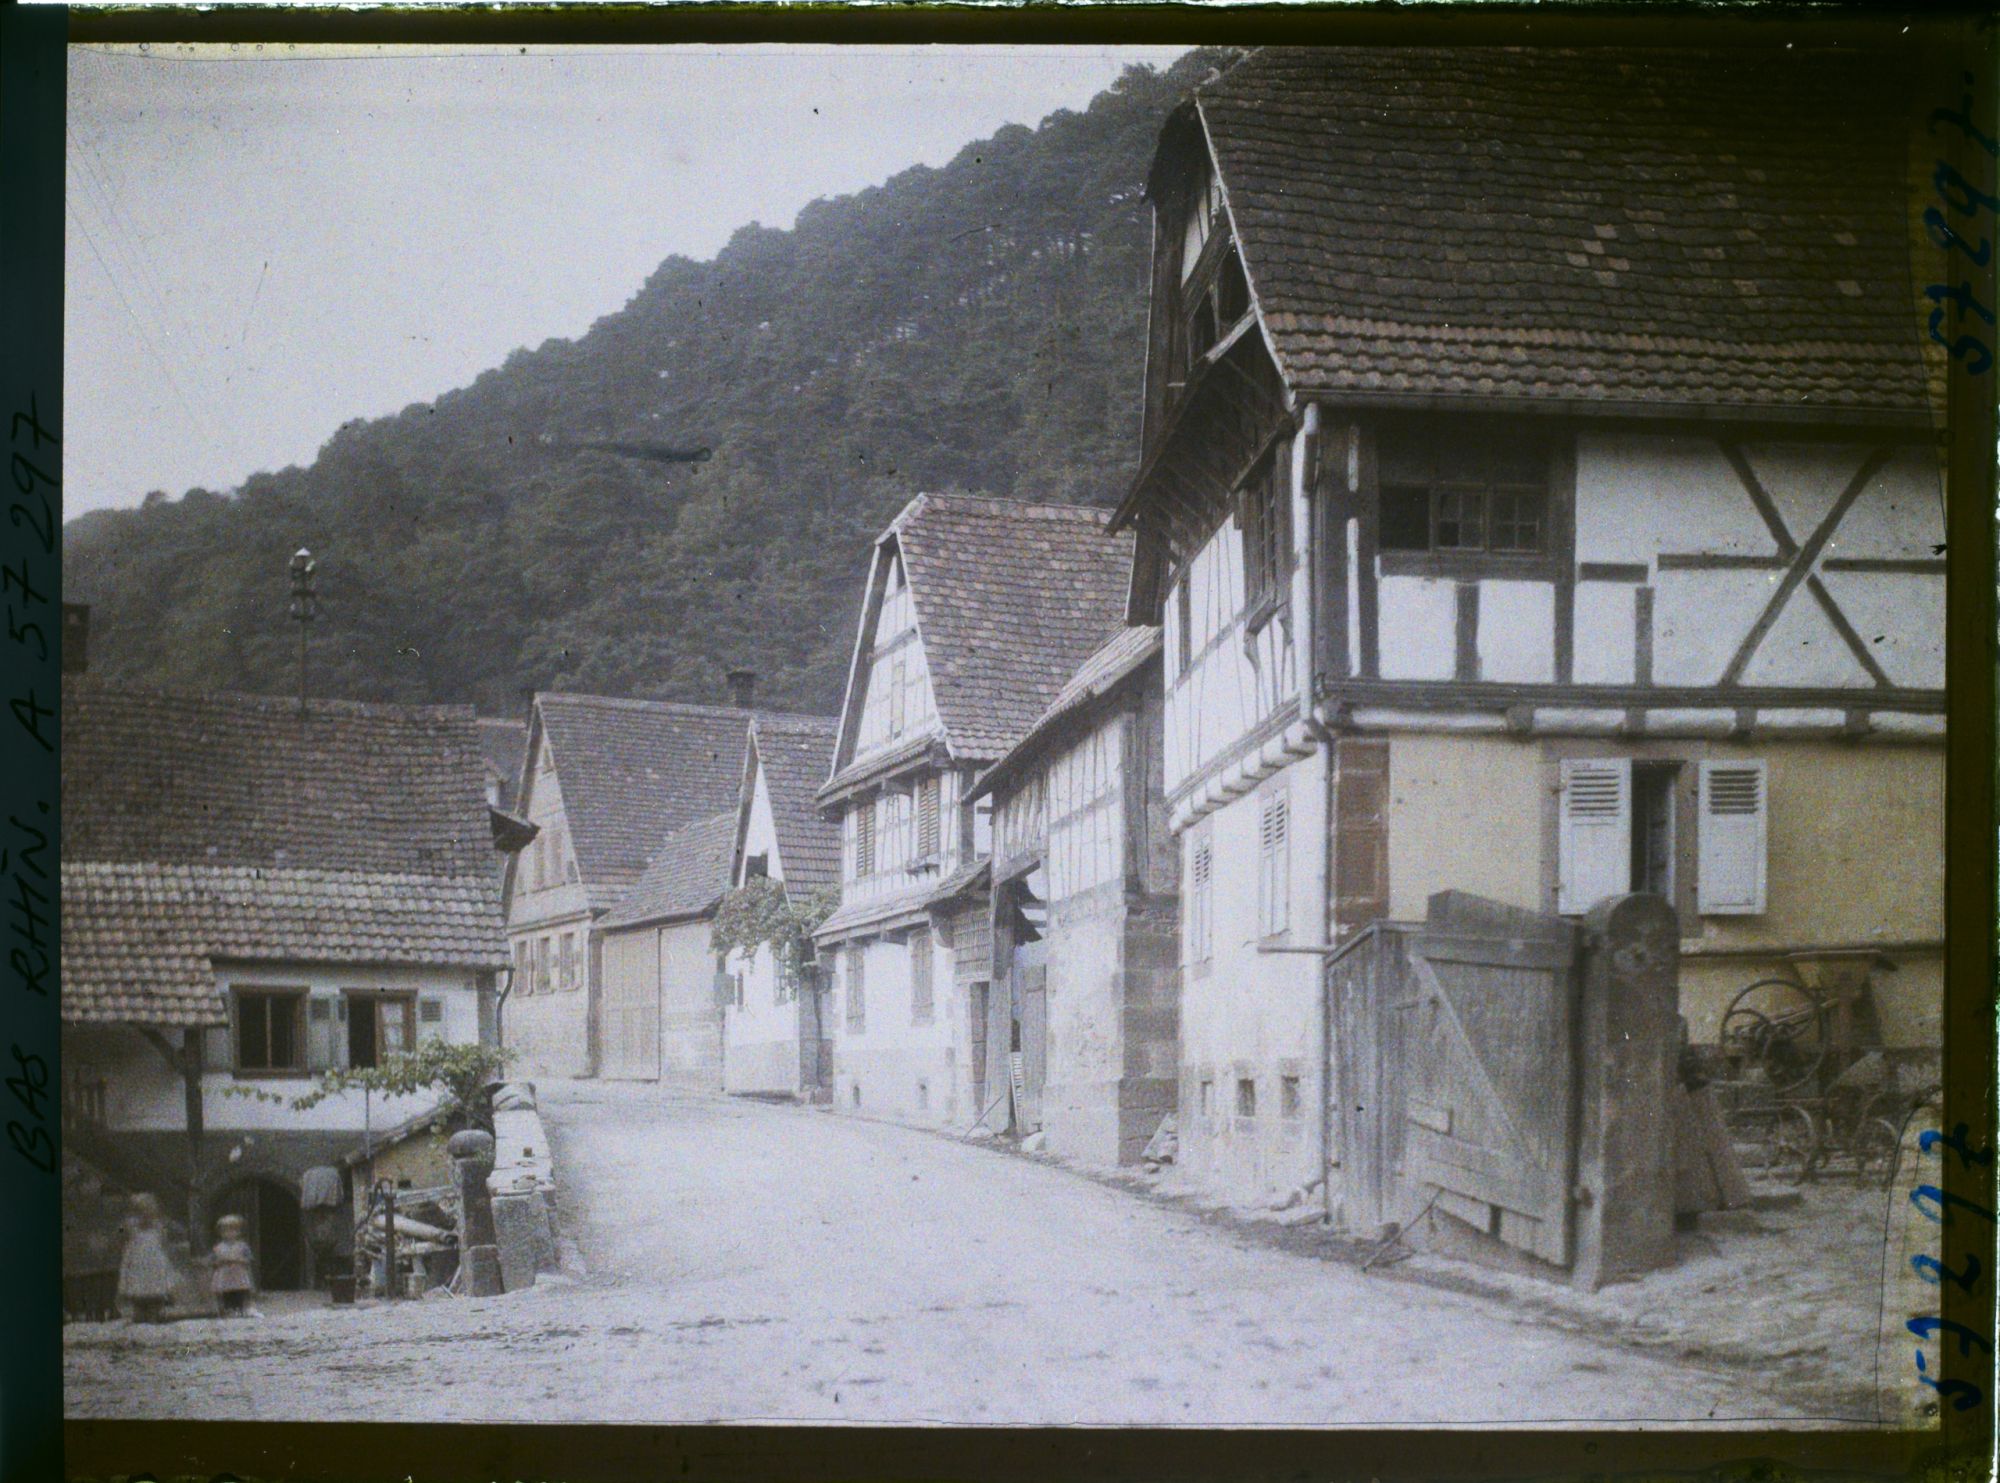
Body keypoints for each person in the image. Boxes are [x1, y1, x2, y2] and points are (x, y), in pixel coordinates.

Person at [116, 1192, 177, 1324]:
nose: (145, 1214)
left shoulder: (159, 1227)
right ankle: (139, 1314)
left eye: (148, 1209)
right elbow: (121, 1237)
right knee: (138, 1291)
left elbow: (164, 1245)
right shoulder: (130, 1226)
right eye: (141, 1210)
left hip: (154, 1263)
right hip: (137, 1262)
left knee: (155, 1293)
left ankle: (154, 1314)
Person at [209, 1214, 256, 1317]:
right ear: (221, 1233)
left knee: (239, 1292)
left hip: (238, 1274)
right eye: (225, 1231)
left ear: (238, 1232)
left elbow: (249, 1260)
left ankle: (240, 1309)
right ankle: (227, 1310)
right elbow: (213, 1261)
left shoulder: (242, 1246)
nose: (229, 1233)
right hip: (224, 1275)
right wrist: (220, 1262)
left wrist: (239, 1260)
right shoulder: (218, 1247)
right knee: (226, 1293)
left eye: (233, 1230)